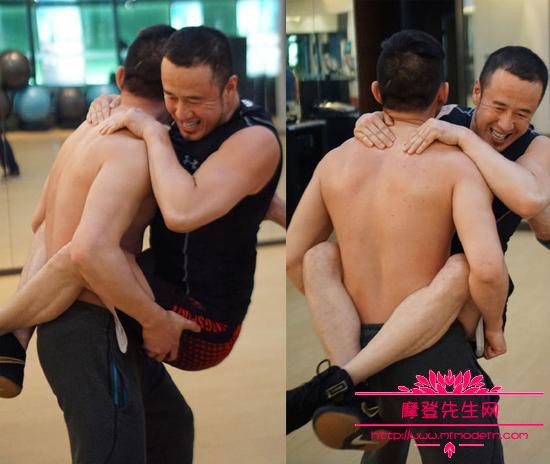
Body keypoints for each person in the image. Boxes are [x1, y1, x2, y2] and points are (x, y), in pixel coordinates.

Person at [0, 25, 282, 463]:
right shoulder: (139, 147)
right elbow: (88, 252)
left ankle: (11, 339)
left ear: (120, 78)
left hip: (103, 313)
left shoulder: (90, 129)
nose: (182, 112)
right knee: (91, 250)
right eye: (174, 98)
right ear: (163, 88)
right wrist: (155, 319)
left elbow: (41, 222)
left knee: (171, 429)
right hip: (94, 327)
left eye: (194, 99)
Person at [287, 43, 550, 440]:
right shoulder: (443, 117)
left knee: (465, 267)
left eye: (523, 113)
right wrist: (371, 120)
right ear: (476, 92)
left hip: (470, 297)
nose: (506, 123)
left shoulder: (535, 146)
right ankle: (352, 385)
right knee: (320, 255)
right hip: (410, 288)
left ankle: (344, 380)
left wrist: (464, 140)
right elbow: (402, 116)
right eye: (498, 106)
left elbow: (528, 199)